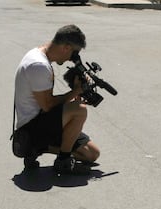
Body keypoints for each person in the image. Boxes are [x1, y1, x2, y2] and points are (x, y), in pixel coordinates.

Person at [14, 24, 99, 174]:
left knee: (91, 154)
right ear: (66, 47)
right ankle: (63, 161)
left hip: (43, 122)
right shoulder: (38, 65)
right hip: (31, 127)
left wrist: (73, 95)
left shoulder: (39, 54)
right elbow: (47, 105)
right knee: (79, 109)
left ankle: (37, 148)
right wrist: (75, 92)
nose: (72, 59)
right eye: (74, 53)